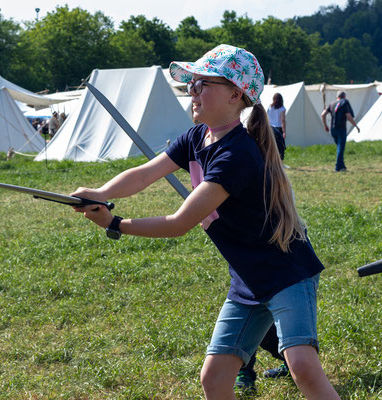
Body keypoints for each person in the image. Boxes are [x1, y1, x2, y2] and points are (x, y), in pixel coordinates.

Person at [71, 44, 340, 399]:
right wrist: (99, 191)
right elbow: (143, 175)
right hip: (247, 279)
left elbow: (180, 222)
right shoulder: (195, 138)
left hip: (286, 273)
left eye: (201, 85)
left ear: (234, 94)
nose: (192, 92)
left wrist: (115, 223)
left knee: (302, 365)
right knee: (213, 379)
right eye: (190, 84)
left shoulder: (237, 154)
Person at [321, 91, 360, 172]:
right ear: (344, 96)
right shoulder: (345, 102)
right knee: (340, 148)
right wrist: (355, 125)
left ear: (337, 97)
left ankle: (342, 166)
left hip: (333, 130)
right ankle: (338, 167)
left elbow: (323, 114)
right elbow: (348, 116)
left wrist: (325, 125)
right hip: (341, 129)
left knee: (339, 147)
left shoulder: (332, 103)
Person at [267, 93, 286, 161]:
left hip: (270, 128)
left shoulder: (270, 107)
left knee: (271, 146)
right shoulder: (282, 108)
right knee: (280, 146)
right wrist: (284, 132)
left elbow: (267, 118)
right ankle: (280, 162)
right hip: (278, 128)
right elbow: (283, 120)